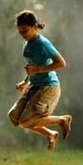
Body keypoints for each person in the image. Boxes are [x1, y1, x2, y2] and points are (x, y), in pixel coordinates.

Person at [8, 10, 72, 150]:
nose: (22, 34)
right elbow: (33, 66)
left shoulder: (43, 43)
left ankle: (62, 120)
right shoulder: (27, 43)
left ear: (35, 26)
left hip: (48, 87)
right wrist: (25, 81)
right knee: (14, 116)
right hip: (34, 85)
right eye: (20, 31)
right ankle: (51, 134)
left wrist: (37, 70)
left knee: (26, 121)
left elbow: (61, 63)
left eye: (25, 30)